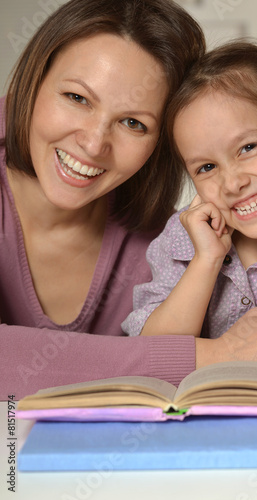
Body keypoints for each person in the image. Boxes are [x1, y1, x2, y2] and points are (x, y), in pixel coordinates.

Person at [0, 0, 208, 400]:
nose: (94, 144)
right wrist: (211, 356)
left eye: (133, 123)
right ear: (33, 81)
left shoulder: (165, 245)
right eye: (77, 98)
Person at [123, 41, 257, 386]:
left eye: (248, 148)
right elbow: (152, 356)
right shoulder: (182, 240)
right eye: (206, 167)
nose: (232, 183)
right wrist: (205, 261)